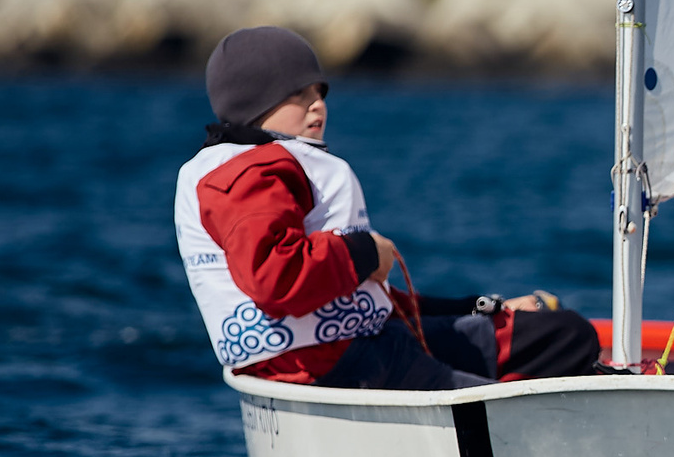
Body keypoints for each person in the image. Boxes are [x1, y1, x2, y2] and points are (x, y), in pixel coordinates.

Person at [174, 26, 601, 391]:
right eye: (298, 95)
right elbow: (275, 277)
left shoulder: (276, 163)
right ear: (254, 103)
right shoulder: (251, 172)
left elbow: (364, 299)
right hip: (330, 366)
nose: (317, 104)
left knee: (564, 335)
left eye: (319, 92)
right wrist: (364, 252)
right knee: (545, 384)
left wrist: (484, 306)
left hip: (364, 345)